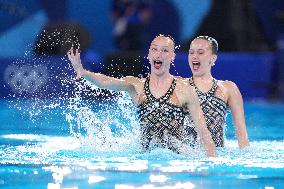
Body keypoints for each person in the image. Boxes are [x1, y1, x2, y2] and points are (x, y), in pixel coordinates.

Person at [67, 34, 217, 157]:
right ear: (149, 54)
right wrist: (84, 72)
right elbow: (106, 82)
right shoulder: (136, 85)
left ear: (172, 56)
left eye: (165, 51)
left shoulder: (185, 90)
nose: (159, 54)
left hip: (176, 158)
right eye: (154, 49)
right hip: (144, 157)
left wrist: (212, 165)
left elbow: (204, 133)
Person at [186, 35, 250, 148]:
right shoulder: (180, 87)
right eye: (191, 53)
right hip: (186, 156)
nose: (194, 56)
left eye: (200, 53)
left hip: (218, 156)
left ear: (213, 58)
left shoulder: (228, 89)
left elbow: (242, 136)